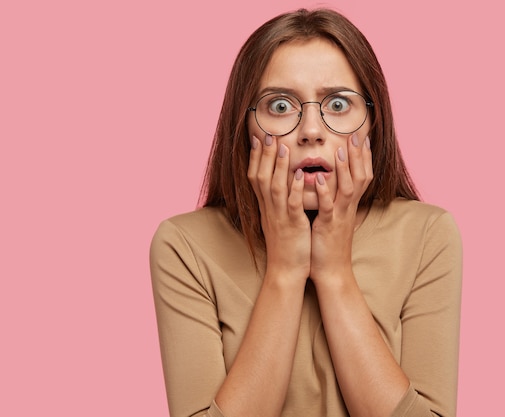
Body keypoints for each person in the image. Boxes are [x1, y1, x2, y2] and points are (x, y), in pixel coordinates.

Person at [150, 8, 462, 417]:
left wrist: (334, 272)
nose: (311, 130)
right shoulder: (184, 247)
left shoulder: (428, 236)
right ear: (244, 127)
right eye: (280, 106)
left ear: (373, 123)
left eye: (337, 104)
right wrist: (284, 269)